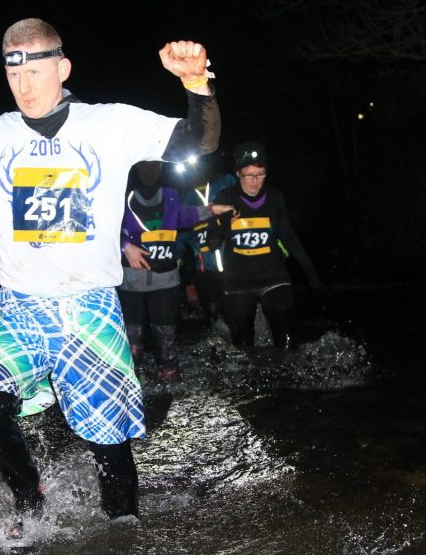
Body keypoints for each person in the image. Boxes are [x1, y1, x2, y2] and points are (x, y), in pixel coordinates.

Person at [0, 19, 220, 531]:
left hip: (90, 305)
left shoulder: (111, 124)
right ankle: (30, 503)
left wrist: (195, 85)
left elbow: (200, 140)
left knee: (108, 437)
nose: (25, 87)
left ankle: (123, 527)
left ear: (63, 68)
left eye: (35, 71)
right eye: (14, 74)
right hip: (19, 305)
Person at [119, 160, 228, 382]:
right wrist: (125, 246)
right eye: (144, 167)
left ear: (160, 168)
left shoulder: (171, 195)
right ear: (136, 169)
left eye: (153, 166)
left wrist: (213, 210)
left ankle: (167, 378)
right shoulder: (123, 196)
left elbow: (183, 216)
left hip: (165, 282)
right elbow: (104, 227)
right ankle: (129, 385)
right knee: (133, 347)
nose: (149, 171)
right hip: (131, 283)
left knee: (167, 351)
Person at [210, 141, 321, 348]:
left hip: (274, 278)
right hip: (237, 283)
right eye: (249, 175)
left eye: (260, 175)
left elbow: (290, 237)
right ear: (237, 174)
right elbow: (211, 240)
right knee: (242, 348)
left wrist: (312, 275)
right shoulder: (225, 197)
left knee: (288, 342)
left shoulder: (275, 197)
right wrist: (222, 223)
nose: (254, 182)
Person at [175, 150, 237, 326]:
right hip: (206, 272)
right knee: (213, 319)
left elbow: (246, 209)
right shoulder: (185, 199)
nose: (193, 169)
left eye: (196, 163)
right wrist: (188, 282)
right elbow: (182, 242)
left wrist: (223, 229)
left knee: (238, 315)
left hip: (235, 264)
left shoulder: (227, 182)